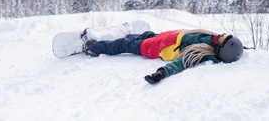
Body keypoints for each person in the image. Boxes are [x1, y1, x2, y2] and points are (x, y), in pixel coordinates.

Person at [82, 29, 244, 84]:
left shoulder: (200, 53)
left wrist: (162, 73)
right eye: (225, 35)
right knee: (139, 36)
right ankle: (127, 35)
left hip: (154, 48)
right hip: (161, 37)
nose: (221, 35)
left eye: (223, 39)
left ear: (221, 49)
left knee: (122, 45)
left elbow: (181, 63)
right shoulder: (212, 39)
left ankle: (93, 48)